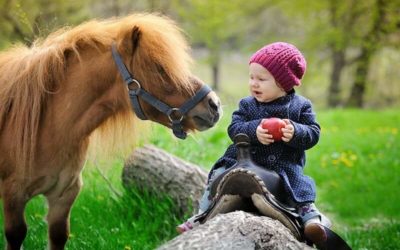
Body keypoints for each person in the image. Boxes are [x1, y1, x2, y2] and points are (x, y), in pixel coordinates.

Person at [177, 42, 330, 244]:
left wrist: (295, 131)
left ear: (284, 83)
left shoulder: (301, 107)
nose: (254, 84)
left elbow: (313, 133)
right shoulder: (247, 105)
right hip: (243, 159)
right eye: (251, 77)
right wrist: (254, 131)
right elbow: (234, 128)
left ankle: (311, 220)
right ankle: (200, 215)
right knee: (217, 174)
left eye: (261, 79)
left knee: (300, 187)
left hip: (283, 165)